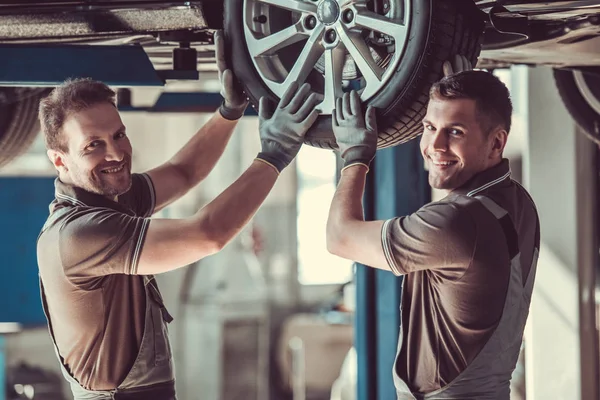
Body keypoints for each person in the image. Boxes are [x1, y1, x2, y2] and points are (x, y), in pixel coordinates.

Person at [36, 30, 320, 400]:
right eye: (94, 145)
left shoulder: (111, 197)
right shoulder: (79, 234)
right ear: (59, 160)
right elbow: (208, 234)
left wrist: (230, 111)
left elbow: (184, 172)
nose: (116, 154)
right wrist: (275, 154)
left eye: (119, 135)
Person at [326, 57, 540, 399]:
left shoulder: (457, 223)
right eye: (429, 127)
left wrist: (354, 157)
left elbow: (339, 238)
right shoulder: (518, 203)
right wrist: (461, 99)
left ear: (497, 143)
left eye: (455, 132)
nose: (435, 147)